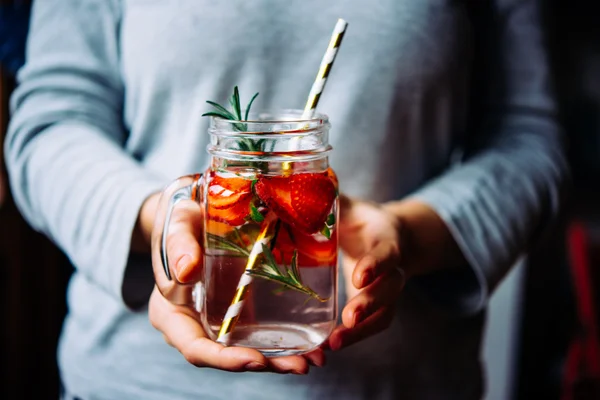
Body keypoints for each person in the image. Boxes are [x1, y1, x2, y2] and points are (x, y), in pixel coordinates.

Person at [4, 0, 569, 399]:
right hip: (133, 386)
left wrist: (405, 234)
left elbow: (530, 140)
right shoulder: (224, 184)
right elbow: (52, 123)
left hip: (406, 384)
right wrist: (165, 220)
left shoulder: (313, 185)